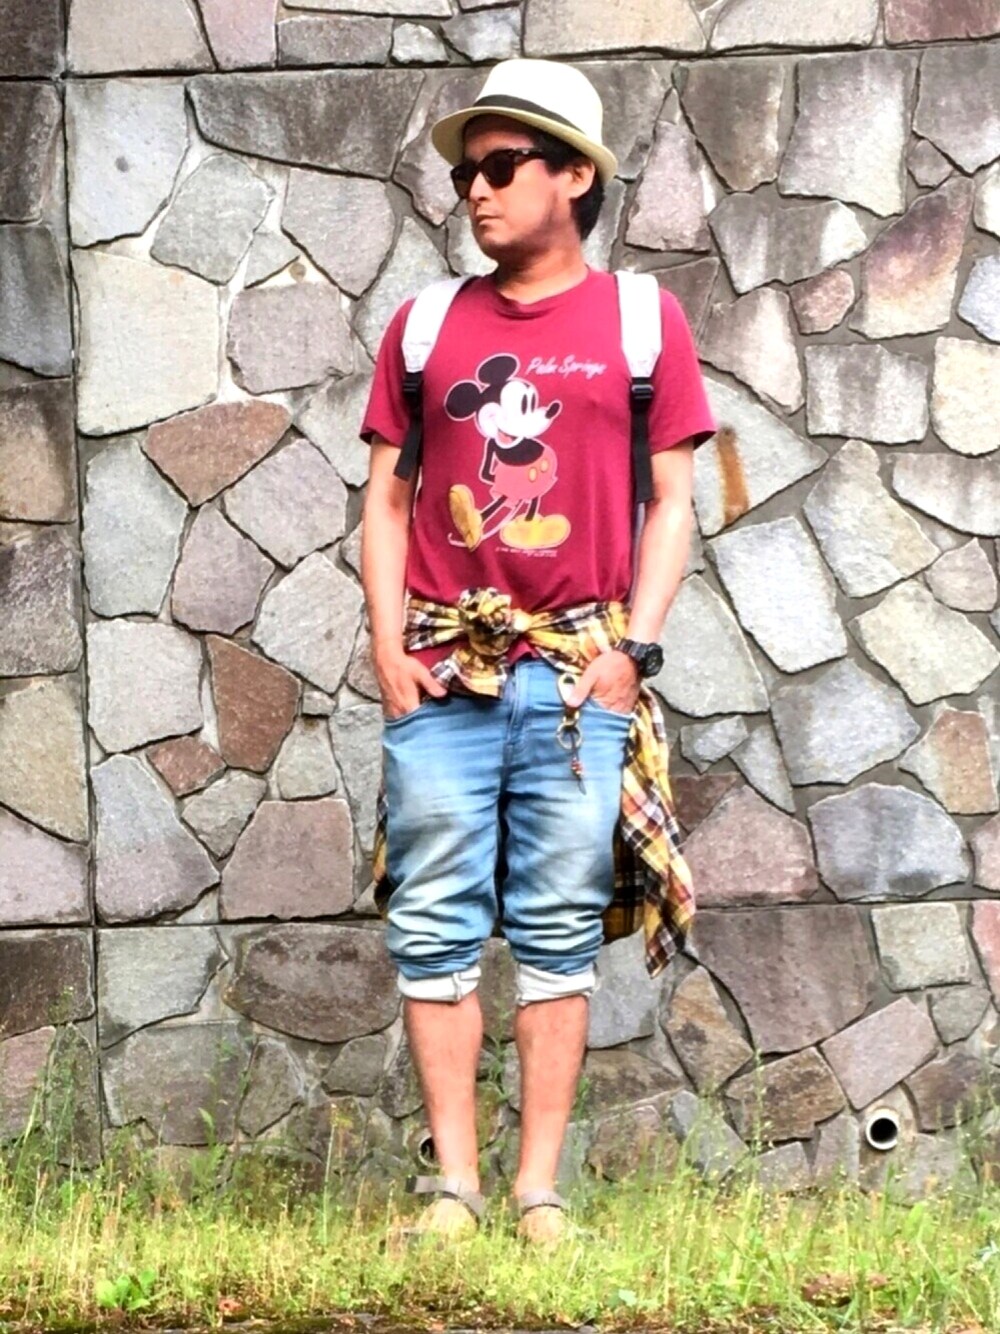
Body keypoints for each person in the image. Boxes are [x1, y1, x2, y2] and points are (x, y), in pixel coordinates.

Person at [359, 57, 717, 1245]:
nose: (475, 188)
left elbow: (674, 502)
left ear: (574, 176)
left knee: (559, 931)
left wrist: (634, 652)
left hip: (578, 677)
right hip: (442, 672)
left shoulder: (639, 320)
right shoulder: (425, 325)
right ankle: (454, 1188)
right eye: (467, 170)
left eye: (503, 165)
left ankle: (538, 1192)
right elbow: (385, 498)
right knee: (434, 926)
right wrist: (387, 647)